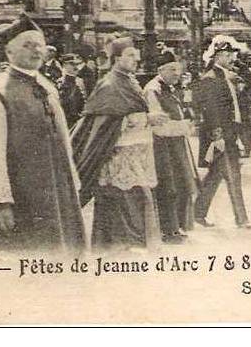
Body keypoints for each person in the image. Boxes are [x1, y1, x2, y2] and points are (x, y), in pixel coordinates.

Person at [0, 14, 85, 252]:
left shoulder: (47, 87)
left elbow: (63, 140)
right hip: (22, 196)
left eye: (39, 45)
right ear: (9, 53)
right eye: (27, 46)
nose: (36, 51)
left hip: (56, 192)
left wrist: (71, 182)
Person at [71, 37, 165, 251]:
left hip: (134, 156)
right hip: (117, 157)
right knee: (123, 200)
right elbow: (106, 123)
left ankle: (125, 247)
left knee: (135, 199)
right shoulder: (110, 84)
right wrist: (147, 119)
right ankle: (119, 249)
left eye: (136, 55)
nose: (137, 59)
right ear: (116, 58)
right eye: (130, 55)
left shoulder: (128, 80)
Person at [192, 38, 251, 229]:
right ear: (217, 57)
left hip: (231, 133)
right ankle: (242, 219)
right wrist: (217, 136)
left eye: (232, 55)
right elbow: (210, 111)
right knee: (233, 176)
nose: (231, 58)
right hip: (221, 136)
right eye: (227, 55)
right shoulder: (210, 78)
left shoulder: (230, 77)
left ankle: (197, 213)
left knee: (215, 176)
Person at [143, 49, 199, 244]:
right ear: (161, 69)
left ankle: (175, 227)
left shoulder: (171, 88)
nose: (177, 73)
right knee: (168, 186)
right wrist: (184, 127)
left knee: (181, 184)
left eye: (178, 69)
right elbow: (159, 125)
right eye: (172, 69)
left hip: (176, 144)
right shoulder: (153, 90)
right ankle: (167, 231)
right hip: (162, 146)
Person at [56, 54, 87, 127]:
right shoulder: (59, 82)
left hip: (76, 120)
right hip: (64, 120)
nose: (75, 67)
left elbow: (84, 101)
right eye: (72, 64)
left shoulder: (80, 81)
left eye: (77, 64)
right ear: (64, 65)